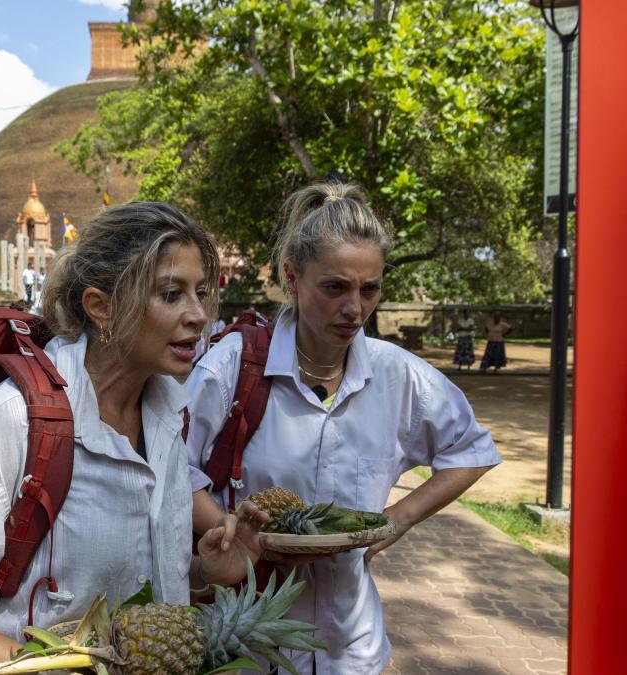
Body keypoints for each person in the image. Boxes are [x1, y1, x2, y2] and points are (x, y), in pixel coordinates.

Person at [0, 202, 259, 675]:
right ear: (101, 307)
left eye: (201, 293)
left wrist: (205, 573)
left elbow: (136, 581)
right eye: (171, 294)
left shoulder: (166, 420)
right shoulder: (10, 422)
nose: (198, 315)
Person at [185, 182, 501, 674]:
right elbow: (170, 466)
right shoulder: (231, 367)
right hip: (244, 646)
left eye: (369, 288)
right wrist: (229, 529)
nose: (355, 308)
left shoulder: (400, 377)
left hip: (351, 648)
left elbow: (472, 450)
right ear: (292, 277)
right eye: (335, 287)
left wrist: (400, 517)